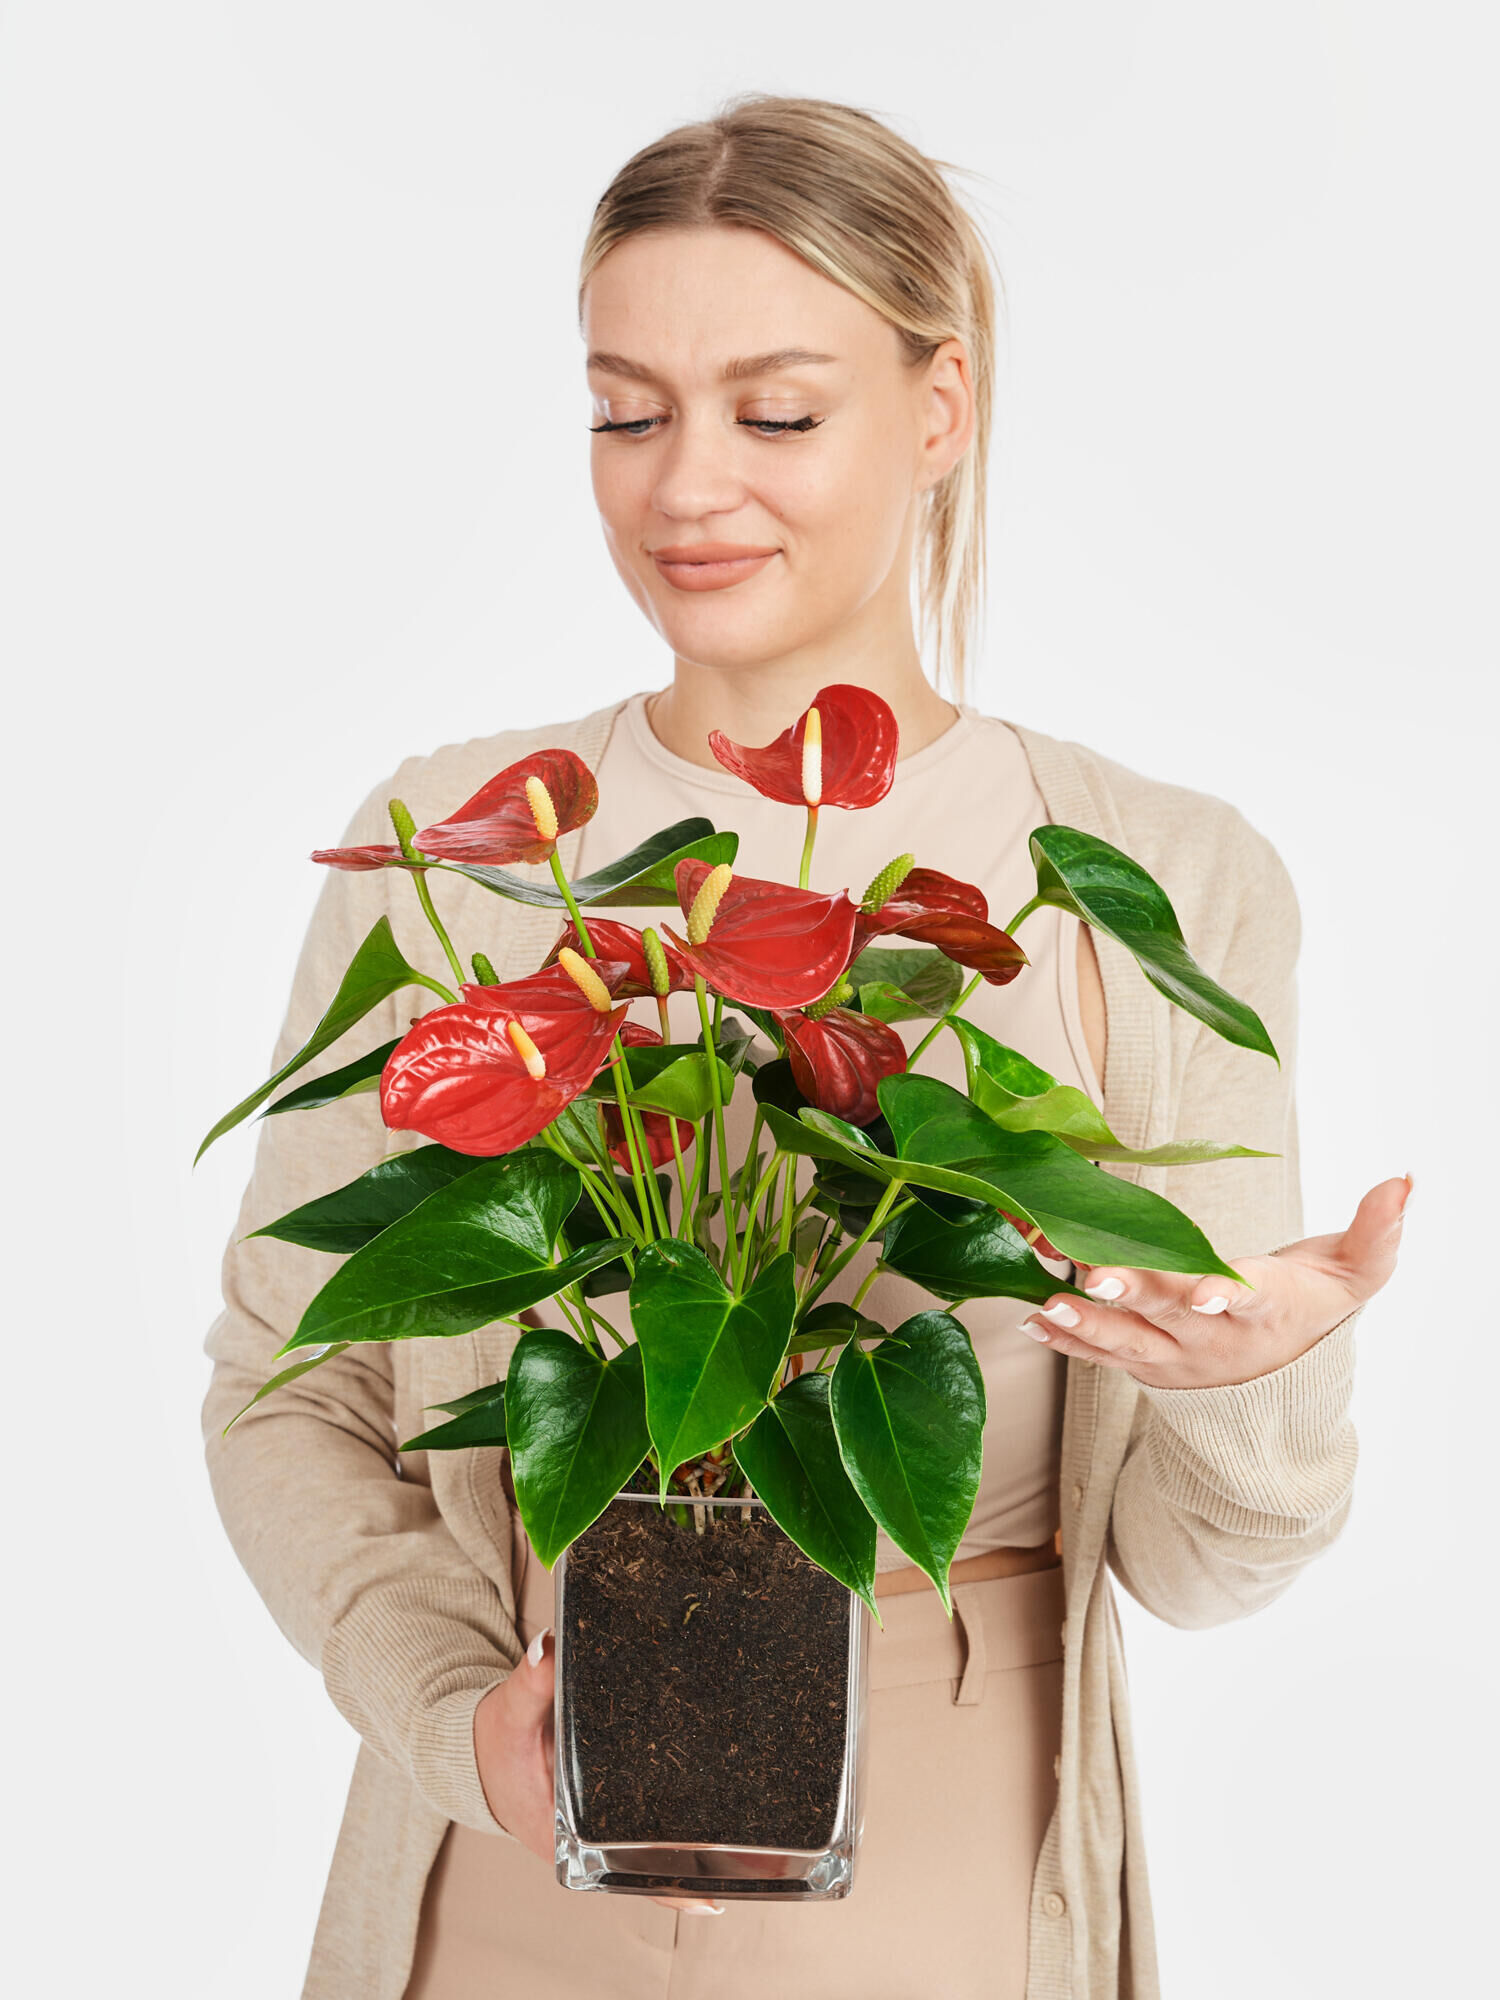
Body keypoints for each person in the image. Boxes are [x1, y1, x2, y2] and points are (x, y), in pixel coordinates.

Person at [202, 95, 1408, 2000]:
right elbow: (291, 1388)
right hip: (519, 1848)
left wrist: (1252, 1380)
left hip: (947, 1877)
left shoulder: (1152, 883)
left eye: (775, 413)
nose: (687, 488)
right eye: (625, 410)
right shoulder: (473, 843)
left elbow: (1201, 1568)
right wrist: (458, 1720)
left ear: (939, 411)